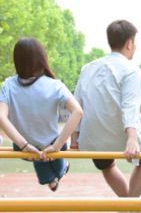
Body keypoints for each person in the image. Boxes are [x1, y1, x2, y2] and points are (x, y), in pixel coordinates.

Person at [71, 20, 141, 198]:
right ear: (129, 43)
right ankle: (132, 206)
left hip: (91, 141)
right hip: (122, 138)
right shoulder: (132, 70)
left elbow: (77, 104)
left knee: (106, 164)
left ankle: (127, 205)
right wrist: (132, 138)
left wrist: (74, 139)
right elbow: (130, 107)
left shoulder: (88, 68)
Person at [0, 37, 83, 191]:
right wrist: (57, 145)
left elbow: (1, 117)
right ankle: (61, 169)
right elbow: (77, 111)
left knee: (40, 153)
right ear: (42, 59)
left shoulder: (8, 85)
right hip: (51, 143)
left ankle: (51, 180)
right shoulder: (54, 85)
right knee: (47, 150)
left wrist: (24, 145)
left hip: (21, 148)